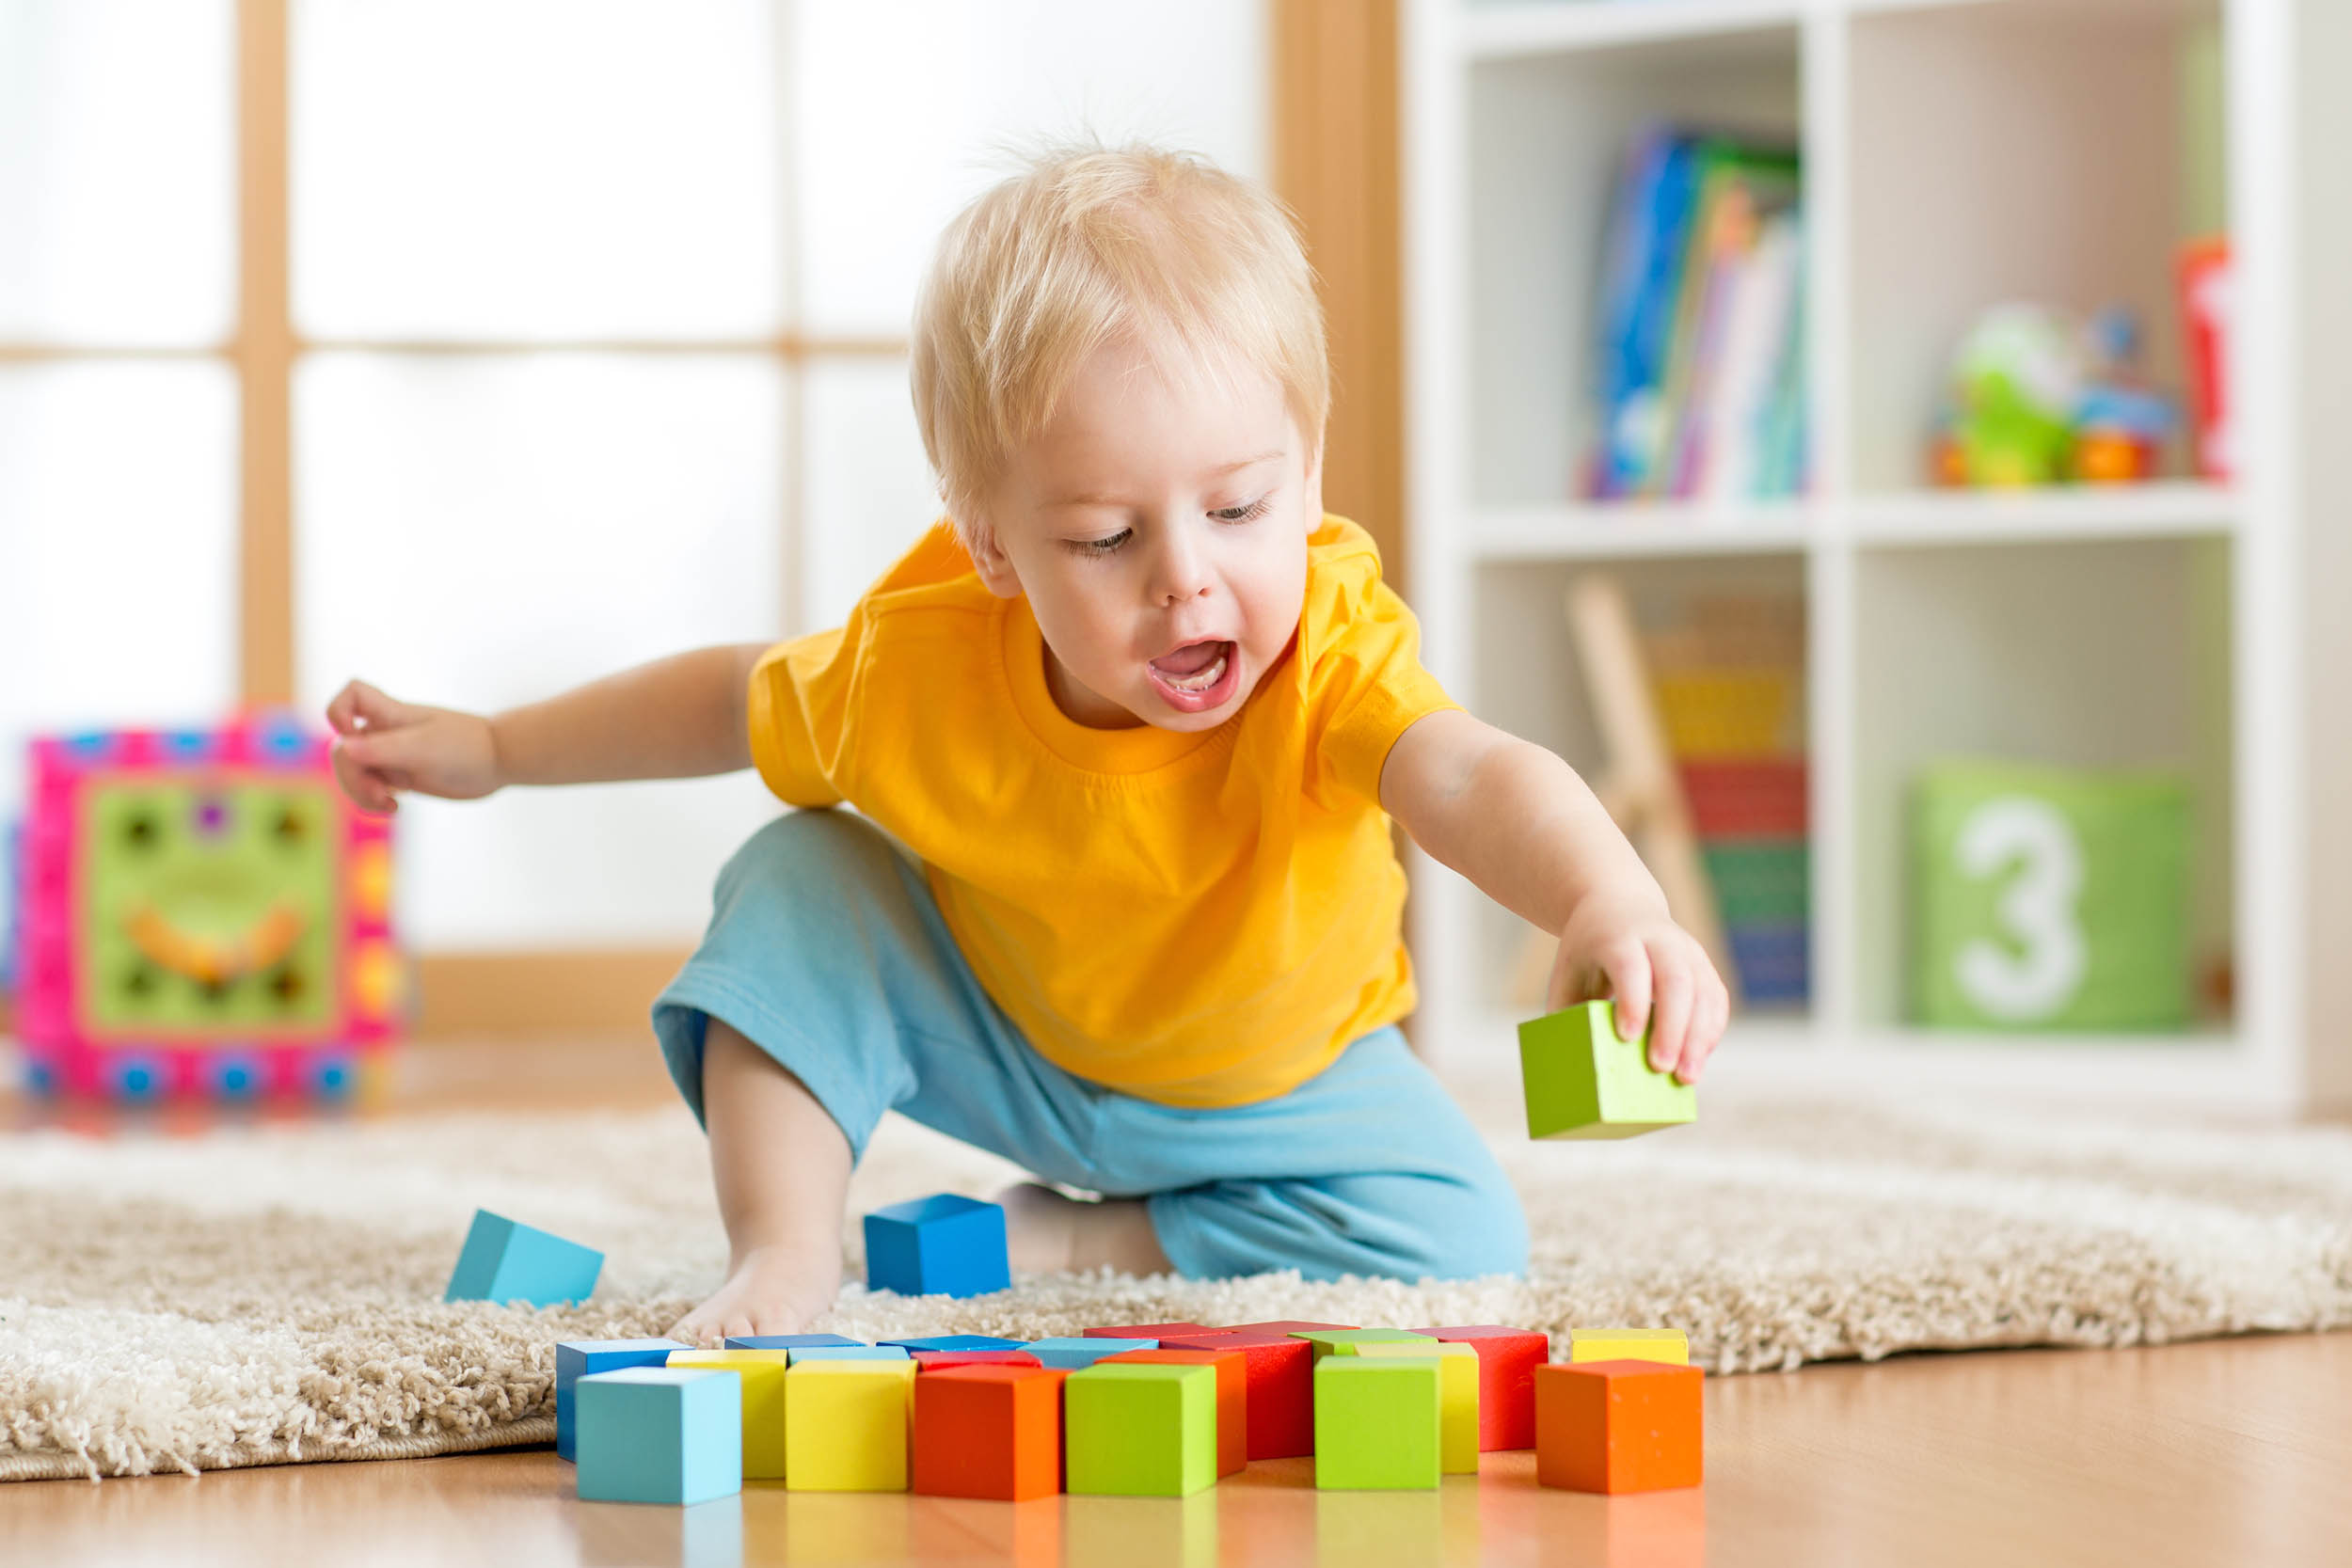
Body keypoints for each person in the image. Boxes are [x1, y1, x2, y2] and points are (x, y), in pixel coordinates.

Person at [326, 142, 1728, 1346]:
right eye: (1108, 538)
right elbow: (724, 699)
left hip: (1275, 1079)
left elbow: (1473, 774)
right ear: (992, 544)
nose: (1186, 579)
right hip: (1002, 1036)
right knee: (800, 876)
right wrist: (496, 747)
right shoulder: (918, 661)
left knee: (1465, 1237)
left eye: (1240, 509)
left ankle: (1077, 1243)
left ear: (1310, 474)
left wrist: (1611, 899)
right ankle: (786, 1244)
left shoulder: (1332, 652)